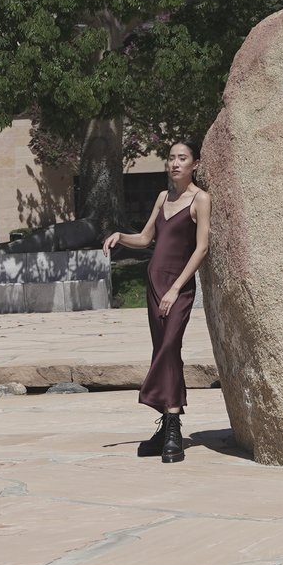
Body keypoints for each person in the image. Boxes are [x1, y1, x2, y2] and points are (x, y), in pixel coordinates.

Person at [103, 140, 210, 463]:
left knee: (168, 348)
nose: (175, 163)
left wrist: (177, 288)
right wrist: (120, 236)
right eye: (171, 158)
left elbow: (201, 248)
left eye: (182, 158)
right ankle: (169, 428)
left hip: (177, 287)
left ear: (194, 164)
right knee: (165, 350)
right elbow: (146, 238)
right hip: (154, 283)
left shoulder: (200, 199)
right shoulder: (163, 198)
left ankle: (172, 424)